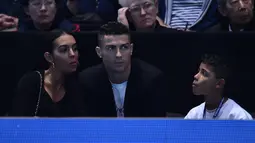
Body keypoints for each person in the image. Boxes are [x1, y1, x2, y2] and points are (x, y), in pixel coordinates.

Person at [79, 21, 167, 117]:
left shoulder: (151, 79)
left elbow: (155, 125)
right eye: (111, 48)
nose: (118, 55)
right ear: (99, 52)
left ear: (131, 49)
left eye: (124, 47)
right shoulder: (87, 81)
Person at [9, 31, 85, 117]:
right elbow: (17, 121)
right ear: (49, 57)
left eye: (75, 49)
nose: (72, 54)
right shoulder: (31, 82)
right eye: (64, 50)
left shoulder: (78, 83)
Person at [185, 54, 252, 120]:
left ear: (219, 83)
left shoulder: (239, 117)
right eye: (198, 71)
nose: (196, 76)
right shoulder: (193, 115)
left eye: (204, 73)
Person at [0, 0, 80, 32]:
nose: (43, 8)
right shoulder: (17, 33)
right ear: (27, 10)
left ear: (56, 8)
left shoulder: (71, 31)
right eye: (37, 4)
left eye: (49, 3)